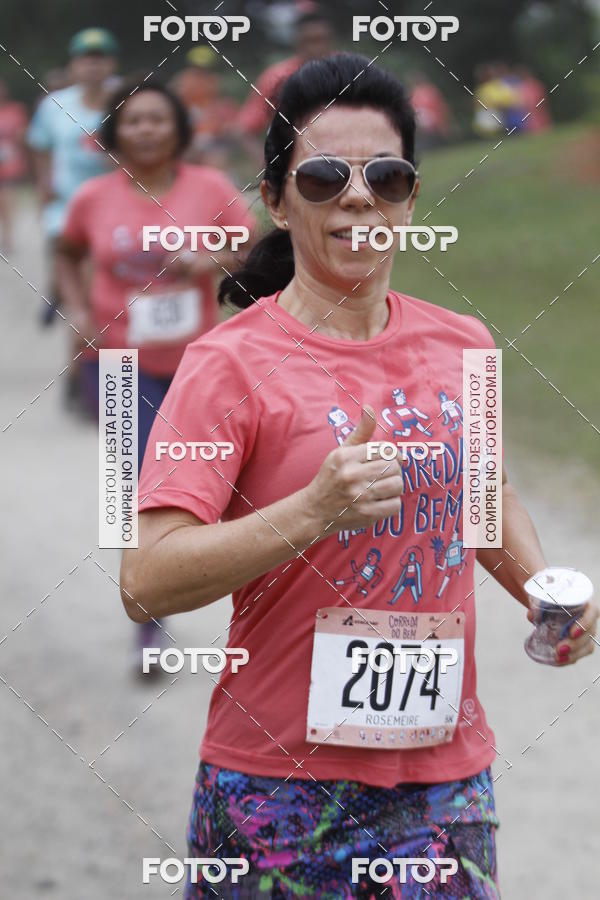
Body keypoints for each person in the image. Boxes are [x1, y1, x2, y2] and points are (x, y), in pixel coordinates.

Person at [121, 54, 598, 898]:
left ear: (412, 195)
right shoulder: (225, 365)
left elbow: (486, 494)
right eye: (322, 176)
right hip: (274, 789)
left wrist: (542, 594)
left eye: (386, 174)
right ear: (275, 198)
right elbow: (146, 582)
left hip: (445, 785)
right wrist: (310, 511)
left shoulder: (466, 343)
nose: (357, 194)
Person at [56, 81, 257, 673]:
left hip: (201, 366)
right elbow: (66, 252)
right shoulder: (92, 198)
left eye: (157, 119)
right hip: (119, 364)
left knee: (224, 487)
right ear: (116, 132)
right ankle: (149, 619)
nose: (145, 129)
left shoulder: (211, 188)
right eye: (133, 120)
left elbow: (253, 248)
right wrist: (76, 310)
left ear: (178, 128)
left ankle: (255, 607)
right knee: (134, 492)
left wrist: (209, 259)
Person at [27, 27, 118, 410]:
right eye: (85, 58)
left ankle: (83, 370)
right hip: (67, 210)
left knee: (102, 295)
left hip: (113, 212)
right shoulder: (55, 105)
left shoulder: (123, 100)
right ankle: (81, 375)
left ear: (111, 63)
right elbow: (40, 147)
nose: (92, 65)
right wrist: (44, 187)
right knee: (85, 290)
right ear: (74, 64)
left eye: (99, 58)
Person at [232, 8, 333, 165]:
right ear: (296, 42)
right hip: (295, 171)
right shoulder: (276, 78)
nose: (315, 48)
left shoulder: (349, 72)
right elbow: (243, 131)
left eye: (319, 40)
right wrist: (269, 167)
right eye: (308, 41)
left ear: (329, 40)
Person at [0, 79, 28, 253]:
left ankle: (8, 238)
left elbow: (23, 135)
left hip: (9, 164)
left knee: (7, 202)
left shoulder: (15, 110)